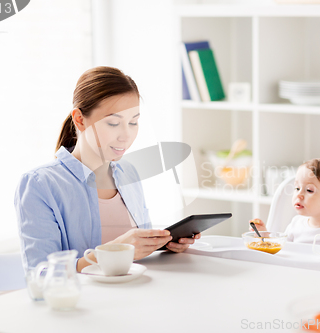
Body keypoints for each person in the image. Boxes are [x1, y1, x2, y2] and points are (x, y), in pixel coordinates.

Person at [15, 66, 200, 273]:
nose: (126, 135)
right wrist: (115, 250)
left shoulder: (128, 172)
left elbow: (136, 257)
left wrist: (161, 246)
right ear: (79, 119)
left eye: (133, 122)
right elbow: (41, 274)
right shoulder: (40, 184)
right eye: (113, 123)